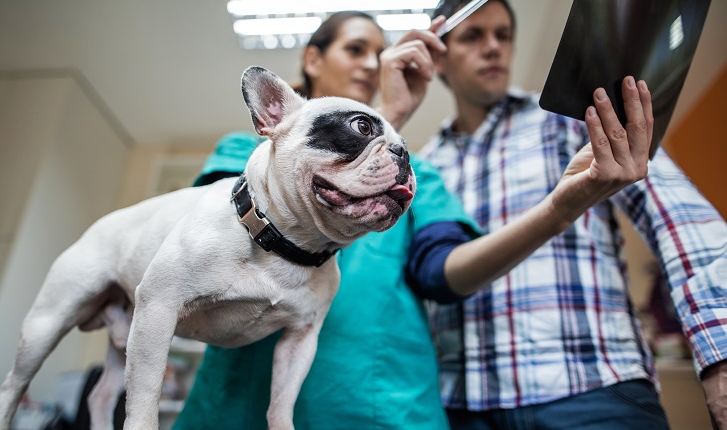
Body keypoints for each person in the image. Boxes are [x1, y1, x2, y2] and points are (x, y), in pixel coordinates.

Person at [173, 10, 653, 430]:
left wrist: (559, 208)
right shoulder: (251, 151)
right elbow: (209, 248)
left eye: (381, 51)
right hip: (239, 410)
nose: (372, 64)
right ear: (313, 60)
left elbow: (444, 273)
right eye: (356, 49)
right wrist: (384, 117)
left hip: (384, 410)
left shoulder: (418, 172)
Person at [419, 1, 727, 429]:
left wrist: (721, 354)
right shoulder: (423, 168)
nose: (493, 47)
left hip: (595, 393)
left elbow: (678, 216)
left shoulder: (571, 118)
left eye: (503, 35)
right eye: (473, 36)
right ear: (440, 57)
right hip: (467, 406)